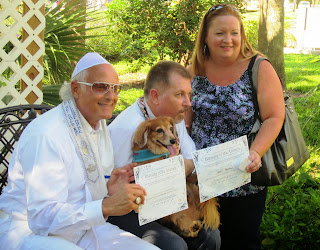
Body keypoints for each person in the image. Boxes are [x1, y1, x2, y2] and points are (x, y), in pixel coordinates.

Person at [0, 52, 159, 250]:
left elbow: (82, 194)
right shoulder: (47, 134)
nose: (111, 96)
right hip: (27, 233)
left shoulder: (98, 127)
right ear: (75, 89)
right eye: (101, 87)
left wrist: (108, 190)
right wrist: (106, 206)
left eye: (116, 89)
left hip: (81, 228)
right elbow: (41, 218)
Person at [185, 4, 285, 250]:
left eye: (234, 32)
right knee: (202, 241)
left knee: (241, 242)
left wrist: (256, 152)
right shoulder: (194, 69)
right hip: (201, 178)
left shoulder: (259, 67)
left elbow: (274, 116)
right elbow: (184, 119)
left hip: (243, 177)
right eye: (220, 33)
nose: (228, 39)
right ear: (206, 37)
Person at [108, 60, 221, 250]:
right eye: (180, 95)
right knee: (173, 245)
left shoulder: (173, 120)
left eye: (189, 95)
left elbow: (192, 160)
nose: (188, 103)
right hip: (130, 209)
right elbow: (112, 189)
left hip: (169, 199)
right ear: (155, 96)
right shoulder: (124, 128)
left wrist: (185, 167)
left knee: (211, 236)